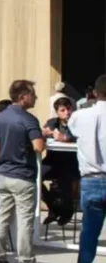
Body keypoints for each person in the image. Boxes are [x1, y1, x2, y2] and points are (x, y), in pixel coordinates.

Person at [0, 79, 51, 263]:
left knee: (2, 216)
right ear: (23, 97)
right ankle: (26, 262)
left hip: (3, 173)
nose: (36, 97)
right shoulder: (28, 119)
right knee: (25, 220)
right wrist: (43, 138)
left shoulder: (0, 117)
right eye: (33, 94)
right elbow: (38, 146)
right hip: (23, 175)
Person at [67, 74, 106, 263]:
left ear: (95, 93)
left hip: (91, 179)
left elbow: (68, 133)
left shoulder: (80, 116)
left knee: (89, 231)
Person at [40, 96, 79, 226]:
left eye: (68, 109)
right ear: (57, 112)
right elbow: (41, 134)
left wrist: (65, 138)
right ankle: (52, 206)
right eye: (62, 110)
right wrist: (44, 134)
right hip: (52, 160)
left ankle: (67, 211)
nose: (67, 112)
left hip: (70, 161)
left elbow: (79, 137)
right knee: (34, 177)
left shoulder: (78, 122)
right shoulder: (52, 122)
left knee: (65, 182)